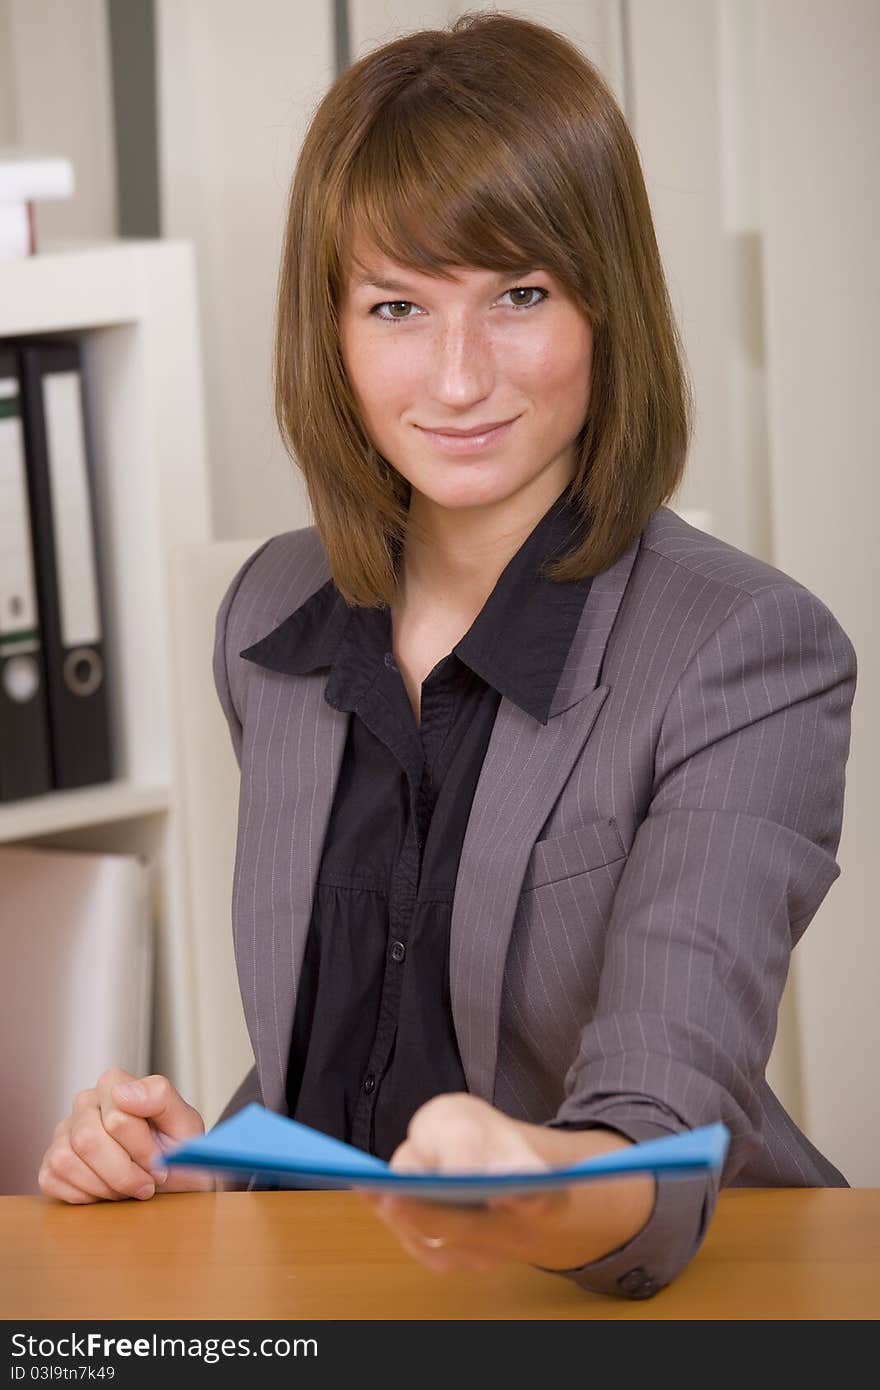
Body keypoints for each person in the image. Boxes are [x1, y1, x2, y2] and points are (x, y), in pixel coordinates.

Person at [38, 11, 857, 1300]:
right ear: (334, 331)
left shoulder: (746, 650)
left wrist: (518, 1175)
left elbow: (664, 1145)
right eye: (398, 305)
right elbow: (358, 1030)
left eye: (520, 294)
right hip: (365, 1297)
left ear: (608, 306)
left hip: (643, 1305)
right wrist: (224, 1160)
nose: (460, 377)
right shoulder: (270, 619)